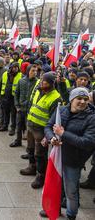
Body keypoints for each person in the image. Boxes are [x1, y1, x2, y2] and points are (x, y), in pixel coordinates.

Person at [40, 87, 95, 219]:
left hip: (73, 160)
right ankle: (54, 209)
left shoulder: (91, 118)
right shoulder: (61, 110)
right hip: (56, 157)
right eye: (79, 98)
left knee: (71, 192)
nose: (82, 101)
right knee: (55, 186)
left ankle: (71, 215)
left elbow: (87, 142)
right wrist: (51, 138)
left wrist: (63, 134)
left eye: (85, 99)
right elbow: (48, 126)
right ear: (72, 99)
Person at [20, 72, 62, 189]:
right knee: (30, 149)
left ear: (51, 84)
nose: (41, 82)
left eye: (45, 81)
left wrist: (47, 136)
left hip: (42, 130)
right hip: (31, 125)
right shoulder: (39, 90)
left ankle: (41, 176)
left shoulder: (56, 98)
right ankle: (31, 167)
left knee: (40, 155)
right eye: (42, 80)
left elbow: (55, 119)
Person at [10, 64, 38, 147]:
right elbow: (16, 94)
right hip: (20, 109)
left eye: (36, 71)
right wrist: (17, 106)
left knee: (29, 130)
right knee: (18, 126)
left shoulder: (37, 83)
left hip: (30, 110)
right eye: (33, 70)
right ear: (28, 71)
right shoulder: (21, 81)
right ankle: (18, 141)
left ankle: (29, 148)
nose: (35, 72)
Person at [0, 62, 22, 135]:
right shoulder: (5, 74)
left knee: (13, 114)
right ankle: (5, 126)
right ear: (11, 67)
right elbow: (0, 84)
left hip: (14, 98)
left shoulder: (20, 75)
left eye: (17, 67)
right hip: (5, 97)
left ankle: (12, 129)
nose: (16, 68)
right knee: (5, 113)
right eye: (14, 67)